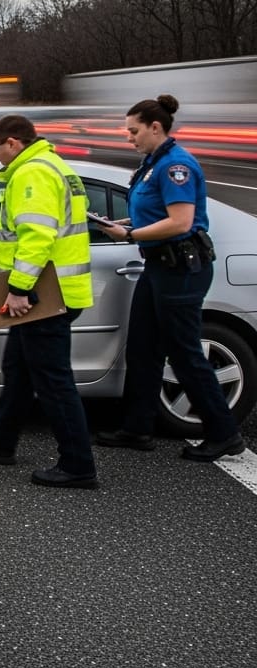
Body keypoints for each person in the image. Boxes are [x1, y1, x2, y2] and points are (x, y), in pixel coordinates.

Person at [93, 95, 245, 461]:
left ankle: (224, 433)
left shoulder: (177, 166)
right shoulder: (152, 163)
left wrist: (129, 235)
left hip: (180, 270)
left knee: (184, 351)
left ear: (155, 127)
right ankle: (137, 428)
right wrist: (121, 223)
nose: (129, 137)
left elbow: (180, 222)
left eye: (134, 131)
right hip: (158, 267)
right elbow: (155, 213)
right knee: (143, 347)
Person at [0, 114, 98, 488]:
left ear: (13, 142)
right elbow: (38, 225)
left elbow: (38, 236)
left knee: (53, 381)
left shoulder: (31, 172)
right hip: (54, 287)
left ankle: (78, 465)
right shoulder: (52, 165)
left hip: (45, 292)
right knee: (17, 367)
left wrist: (19, 289)